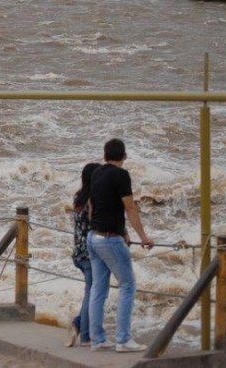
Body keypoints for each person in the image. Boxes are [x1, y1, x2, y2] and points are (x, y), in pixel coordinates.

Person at [87, 139, 154, 353]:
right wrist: (142, 236)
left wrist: (120, 230)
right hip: (110, 239)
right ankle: (123, 339)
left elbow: (93, 206)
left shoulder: (97, 172)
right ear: (124, 156)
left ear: (105, 155)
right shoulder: (121, 175)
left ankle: (97, 339)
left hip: (93, 237)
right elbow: (130, 208)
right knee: (128, 286)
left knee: (98, 288)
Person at [67, 162, 102, 348]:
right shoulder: (93, 200)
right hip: (90, 255)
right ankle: (85, 335)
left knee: (90, 291)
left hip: (77, 253)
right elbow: (96, 225)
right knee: (92, 293)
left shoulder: (78, 198)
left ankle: (79, 324)